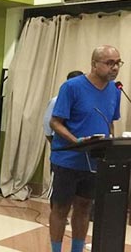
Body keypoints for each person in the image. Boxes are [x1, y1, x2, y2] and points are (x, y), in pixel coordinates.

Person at [48, 45, 122, 252]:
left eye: (118, 62)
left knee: (84, 207)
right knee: (60, 208)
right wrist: (75, 141)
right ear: (94, 64)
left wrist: (110, 144)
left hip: (94, 162)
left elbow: (110, 122)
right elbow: (55, 122)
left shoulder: (115, 91)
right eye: (110, 63)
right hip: (68, 160)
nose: (115, 67)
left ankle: (77, 249)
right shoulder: (72, 87)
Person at [43, 70, 84, 144]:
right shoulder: (56, 101)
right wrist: (53, 144)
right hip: (62, 141)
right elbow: (47, 124)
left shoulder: (84, 101)